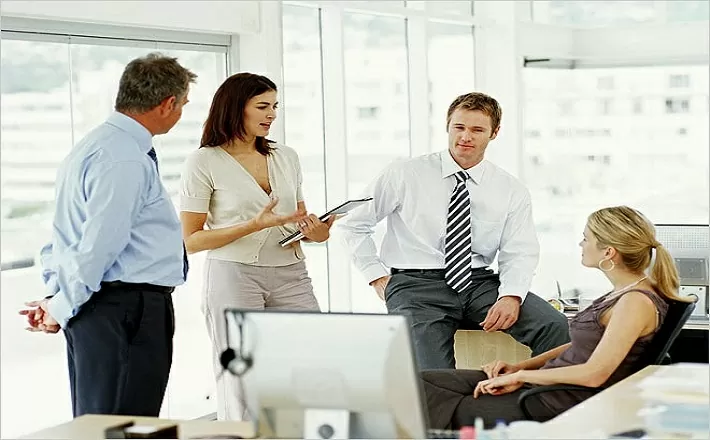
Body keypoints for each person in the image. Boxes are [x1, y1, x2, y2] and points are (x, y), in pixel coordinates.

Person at [18, 53, 195, 417]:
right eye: (183, 104)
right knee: (126, 426)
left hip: (102, 306)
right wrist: (60, 307)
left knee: (100, 423)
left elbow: (63, 237)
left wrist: (58, 299)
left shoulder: (95, 145)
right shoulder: (124, 158)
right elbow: (99, 247)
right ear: (167, 104)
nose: (181, 113)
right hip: (125, 310)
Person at [339, 92, 569, 371]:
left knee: (555, 327)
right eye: (459, 127)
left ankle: (542, 396)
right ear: (447, 126)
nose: (465, 137)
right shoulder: (404, 173)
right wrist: (375, 276)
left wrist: (511, 295)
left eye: (477, 130)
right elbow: (353, 224)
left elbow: (519, 251)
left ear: (494, 133)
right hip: (416, 286)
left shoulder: (510, 189)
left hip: (479, 283)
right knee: (433, 375)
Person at [422, 205, 690, 429]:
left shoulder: (635, 302)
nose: (581, 244)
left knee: (424, 402)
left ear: (609, 252)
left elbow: (595, 374)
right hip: (545, 386)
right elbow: (581, 346)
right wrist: (519, 368)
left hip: (552, 401)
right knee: (422, 382)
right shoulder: (624, 292)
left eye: (586, 238)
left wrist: (520, 378)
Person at [179, 72, 334, 421]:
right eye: (263, 106)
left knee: (311, 359)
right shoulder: (203, 161)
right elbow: (191, 240)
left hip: (291, 273)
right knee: (242, 375)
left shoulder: (286, 156)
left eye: (275, 106)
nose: (272, 114)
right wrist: (252, 225)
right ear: (236, 107)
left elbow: (298, 218)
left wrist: (317, 232)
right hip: (234, 276)